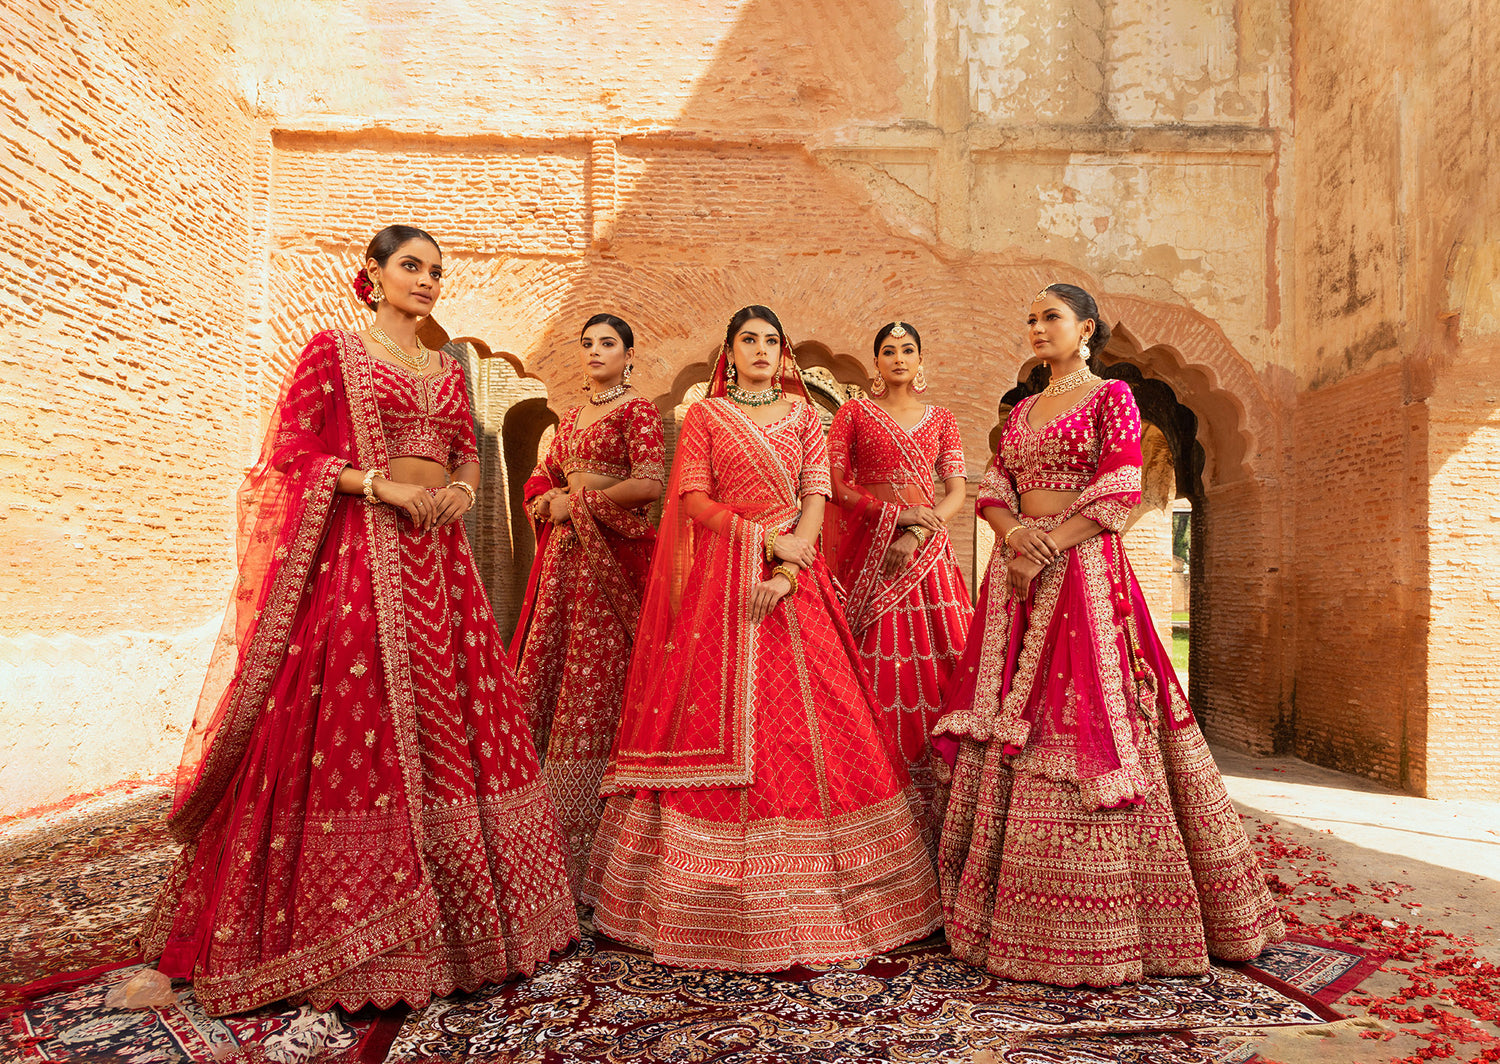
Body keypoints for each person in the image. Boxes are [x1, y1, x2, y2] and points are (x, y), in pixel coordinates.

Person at [141, 226, 577, 1016]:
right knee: (356, 715)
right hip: (360, 560)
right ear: (372, 274)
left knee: (458, 719)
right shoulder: (334, 351)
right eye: (411, 266)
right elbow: (292, 450)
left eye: (436, 270)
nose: (427, 280)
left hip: (440, 562)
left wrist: (464, 490)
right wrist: (381, 486)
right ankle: (350, 933)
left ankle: (468, 930)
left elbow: (464, 452)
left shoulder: (448, 370)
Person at [932, 283, 1284, 986]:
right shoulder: (1023, 410)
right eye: (1030, 318)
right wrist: (1017, 540)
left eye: (1052, 317)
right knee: (1010, 712)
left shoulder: (1111, 398)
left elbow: (1121, 486)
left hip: (1084, 572)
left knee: (1085, 717)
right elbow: (994, 489)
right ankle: (1000, 909)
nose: (1037, 328)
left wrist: (1046, 547)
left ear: (1086, 328)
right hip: (1019, 576)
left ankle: (1112, 922)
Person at [583, 305, 941, 971]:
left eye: (771, 342)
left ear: (783, 354)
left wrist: (790, 564)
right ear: (730, 351)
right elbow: (693, 501)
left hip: (796, 577)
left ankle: (837, 898)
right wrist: (764, 541)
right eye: (748, 340)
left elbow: (816, 495)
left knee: (821, 713)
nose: (760, 350)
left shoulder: (805, 416)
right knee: (709, 706)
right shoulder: (706, 416)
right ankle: (706, 901)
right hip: (725, 575)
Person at [511, 314, 665, 898]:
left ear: (629, 354)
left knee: (601, 681)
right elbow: (542, 478)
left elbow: (649, 484)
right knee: (549, 672)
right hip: (564, 565)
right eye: (588, 344)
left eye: (608, 344)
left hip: (613, 564)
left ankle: (611, 845)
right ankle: (543, 844)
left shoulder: (638, 411)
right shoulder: (572, 419)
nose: (596, 352)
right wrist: (546, 500)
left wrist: (577, 502)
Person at [826, 322, 974, 856]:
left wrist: (916, 531)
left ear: (920, 359)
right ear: (876, 363)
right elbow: (835, 485)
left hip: (926, 556)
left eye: (908, 350)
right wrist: (894, 516)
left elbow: (956, 491)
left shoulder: (942, 418)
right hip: (870, 553)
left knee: (948, 662)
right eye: (888, 351)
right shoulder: (854, 413)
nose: (898, 358)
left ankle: (948, 807)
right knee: (869, 666)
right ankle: (873, 802)